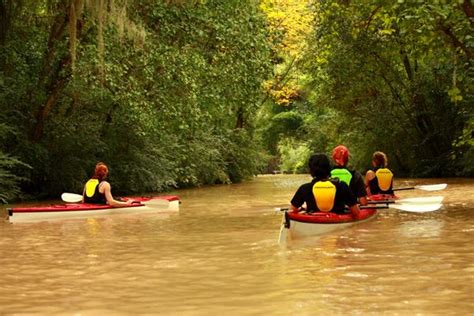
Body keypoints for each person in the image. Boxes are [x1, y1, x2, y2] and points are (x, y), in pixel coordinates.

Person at [290, 153, 361, 219]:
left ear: (311, 170)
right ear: (329, 168)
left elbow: (292, 210)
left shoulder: (305, 188)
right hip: (337, 222)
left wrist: (302, 209)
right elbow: (356, 212)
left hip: (312, 221)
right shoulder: (342, 186)